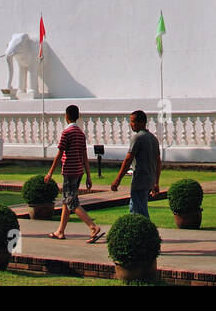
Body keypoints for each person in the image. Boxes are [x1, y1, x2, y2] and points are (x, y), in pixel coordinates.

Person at [44, 104, 101, 243]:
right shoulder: (81, 134)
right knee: (66, 200)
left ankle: (92, 226)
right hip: (78, 171)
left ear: (67, 116)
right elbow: (84, 156)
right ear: (78, 117)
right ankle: (60, 231)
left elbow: (59, 154)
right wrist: (88, 175)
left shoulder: (67, 133)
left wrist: (50, 172)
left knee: (71, 202)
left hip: (69, 171)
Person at [110, 109, 161, 217]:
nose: (131, 124)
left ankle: (145, 232)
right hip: (149, 180)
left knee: (137, 211)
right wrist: (156, 182)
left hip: (140, 180)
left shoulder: (138, 138)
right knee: (141, 207)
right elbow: (158, 162)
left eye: (133, 121)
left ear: (141, 122)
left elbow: (128, 159)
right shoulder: (153, 138)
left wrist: (117, 180)